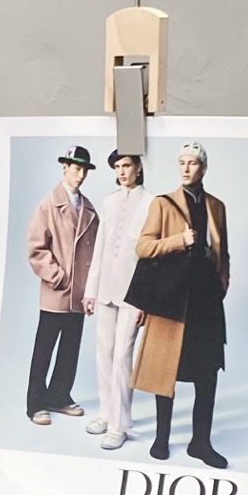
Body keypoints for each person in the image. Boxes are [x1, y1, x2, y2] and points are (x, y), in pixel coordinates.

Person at [130, 142, 230, 468]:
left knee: (208, 373)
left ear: (204, 168)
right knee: (166, 369)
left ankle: (201, 443)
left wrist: (220, 286)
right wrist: (179, 241)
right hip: (171, 299)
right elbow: (143, 247)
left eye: (193, 163)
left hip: (205, 301)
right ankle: (162, 439)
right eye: (182, 162)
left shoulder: (217, 206)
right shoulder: (163, 203)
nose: (186, 168)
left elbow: (223, 254)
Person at [26, 145, 99, 425]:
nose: (80, 175)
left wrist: (90, 288)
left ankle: (59, 396)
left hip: (79, 294)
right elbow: (36, 249)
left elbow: (97, 252)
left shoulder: (89, 208)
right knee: (44, 349)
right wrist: (59, 277)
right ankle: (35, 404)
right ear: (65, 168)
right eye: (76, 168)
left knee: (70, 349)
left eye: (84, 170)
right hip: (56, 291)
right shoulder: (48, 205)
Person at [81, 150, 148, 450]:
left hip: (134, 293)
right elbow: (100, 248)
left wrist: (146, 300)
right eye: (117, 167)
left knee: (122, 357)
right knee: (104, 354)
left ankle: (119, 425)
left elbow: (151, 259)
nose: (121, 171)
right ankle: (106, 414)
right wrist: (91, 290)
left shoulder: (152, 202)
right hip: (106, 288)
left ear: (139, 167)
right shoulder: (108, 201)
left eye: (126, 165)